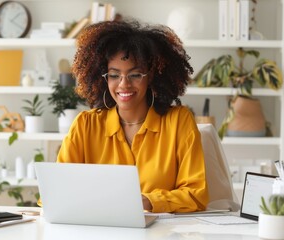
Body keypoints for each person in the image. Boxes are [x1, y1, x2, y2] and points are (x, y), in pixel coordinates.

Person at [57, 19, 208, 213]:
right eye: (114, 75)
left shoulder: (179, 121)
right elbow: (59, 190)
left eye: (135, 75)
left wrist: (148, 202)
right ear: (103, 78)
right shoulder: (86, 124)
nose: (124, 85)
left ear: (151, 76)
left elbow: (196, 194)